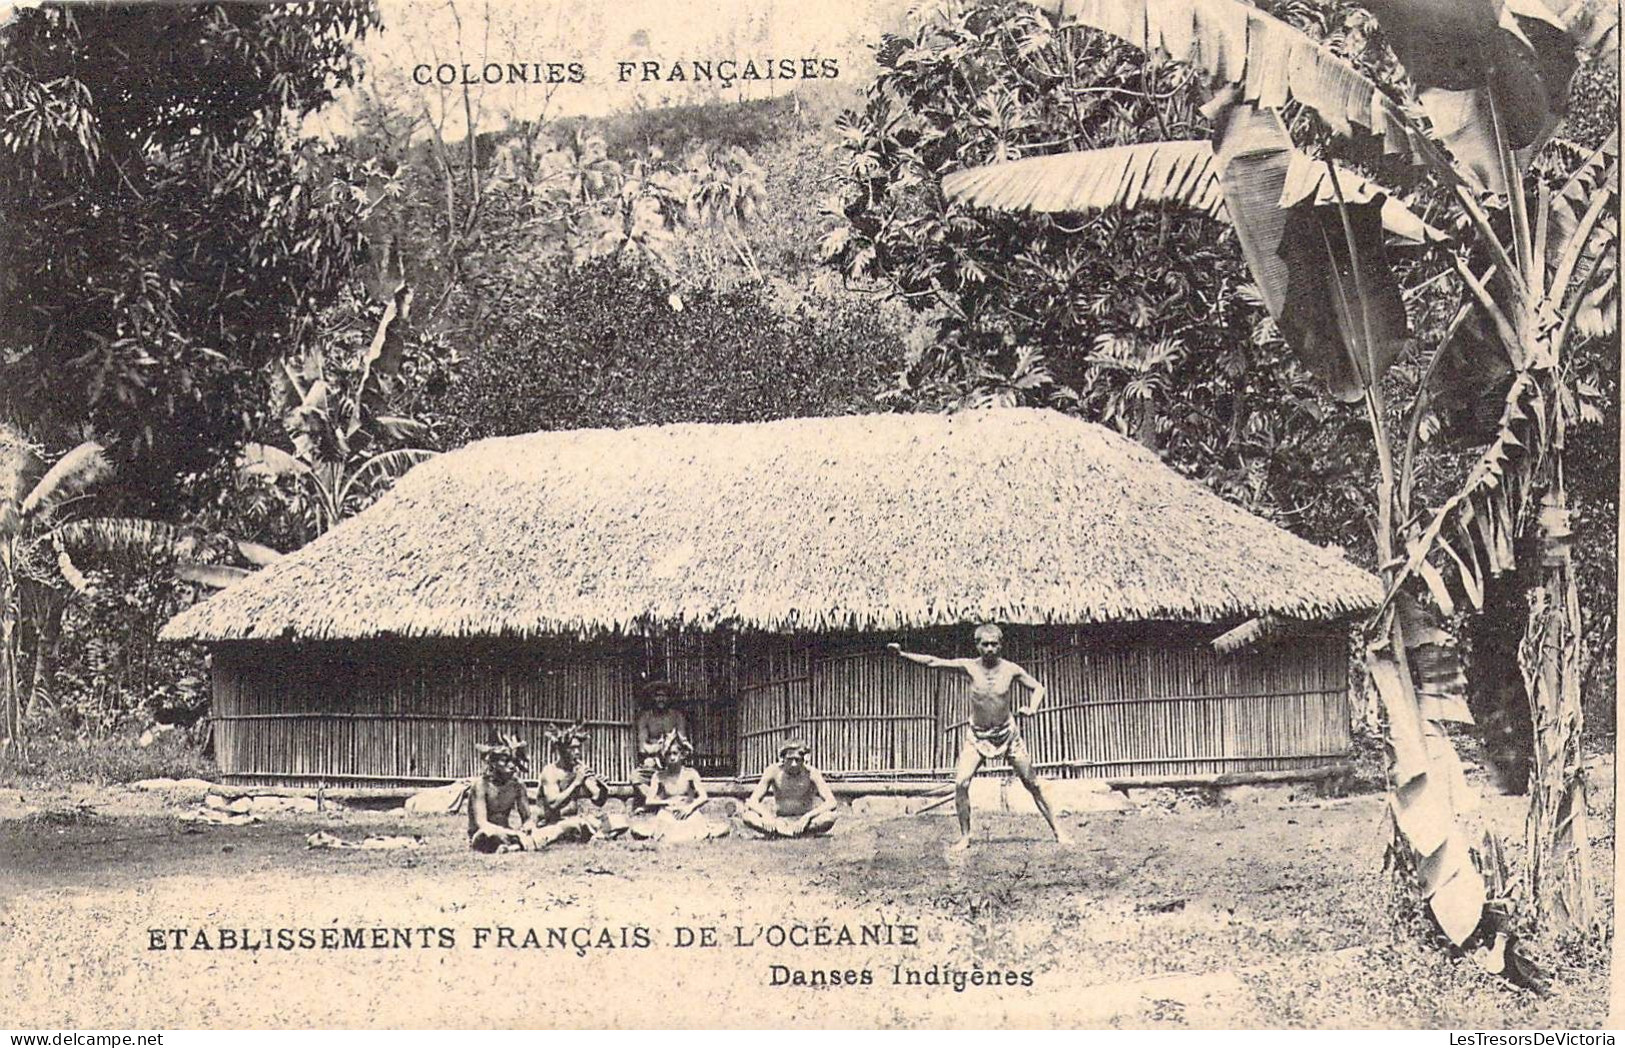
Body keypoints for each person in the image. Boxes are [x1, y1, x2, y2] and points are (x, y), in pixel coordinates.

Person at [889, 624, 1069, 851]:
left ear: (1001, 645)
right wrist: (903, 654)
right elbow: (933, 662)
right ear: (977, 645)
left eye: (994, 644)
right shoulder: (969, 667)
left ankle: (1058, 830)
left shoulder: (1011, 669)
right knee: (961, 783)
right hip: (977, 736)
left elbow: (1038, 688)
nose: (990, 648)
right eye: (985, 644)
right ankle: (965, 836)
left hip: (1008, 735)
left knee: (1032, 783)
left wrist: (1032, 708)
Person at [630, 731, 730, 841]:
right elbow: (649, 800)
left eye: (675, 753)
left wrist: (689, 808)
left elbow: (703, 796)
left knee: (695, 821)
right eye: (668, 754)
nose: (672, 758)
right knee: (663, 822)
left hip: (687, 810)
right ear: (664, 757)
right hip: (668, 811)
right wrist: (666, 802)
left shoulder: (691, 773)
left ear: (681, 755)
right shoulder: (658, 776)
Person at [537, 724, 622, 843]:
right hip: (551, 823)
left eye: (578, 748)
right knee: (574, 825)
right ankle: (596, 834)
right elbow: (553, 804)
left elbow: (598, 801)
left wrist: (602, 788)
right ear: (561, 750)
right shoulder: (550, 771)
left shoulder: (578, 770)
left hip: (574, 819)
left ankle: (591, 833)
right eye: (572, 748)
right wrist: (576, 783)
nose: (577, 752)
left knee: (620, 820)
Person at [741, 738, 838, 839]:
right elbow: (752, 801)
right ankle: (794, 833)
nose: (794, 764)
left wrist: (808, 817)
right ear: (783, 759)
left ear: (803, 760)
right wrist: (767, 816)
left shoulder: (811, 773)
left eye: (797, 760)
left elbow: (832, 802)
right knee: (748, 816)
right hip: (780, 821)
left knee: (830, 817)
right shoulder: (773, 771)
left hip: (805, 822)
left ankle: (780, 834)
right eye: (790, 759)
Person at [467, 734, 538, 853]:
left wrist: (528, 827)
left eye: (514, 761)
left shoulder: (517, 785)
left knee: (538, 833)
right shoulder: (481, 785)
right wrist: (514, 833)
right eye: (505, 761)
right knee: (487, 834)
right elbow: (482, 823)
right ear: (493, 763)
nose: (511, 766)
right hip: (484, 834)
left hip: (507, 832)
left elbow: (527, 818)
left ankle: (509, 848)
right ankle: (513, 847)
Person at [634, 682, 690, 784]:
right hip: (653, 760)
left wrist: (672, 746)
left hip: (673, 759)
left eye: (663, 696)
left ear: (668, 698)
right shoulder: (645, 718)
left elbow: (683, 742)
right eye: (657, 696)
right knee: (636, 778)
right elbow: (643, 747)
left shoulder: (677, 717)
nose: (660, 699)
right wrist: (661, 746)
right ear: (652, 698)